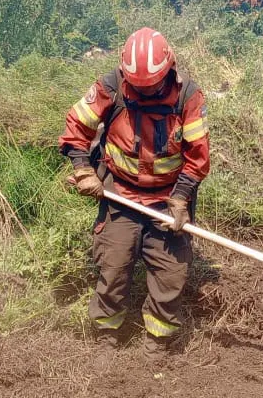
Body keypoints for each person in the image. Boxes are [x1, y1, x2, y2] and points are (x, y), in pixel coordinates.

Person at [58, 27, 210, 357]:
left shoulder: (188, 97)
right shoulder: (111, 86)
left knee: (170, 274)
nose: (144, 92)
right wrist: (84, 171)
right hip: (120, 194)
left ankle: (157, 343)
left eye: (151, 85)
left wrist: (181, 198)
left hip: (167, 199)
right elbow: (76, 127)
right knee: (113, 267)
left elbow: (198, 158)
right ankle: (107, 336)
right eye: (137, 86)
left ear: (169, 70)